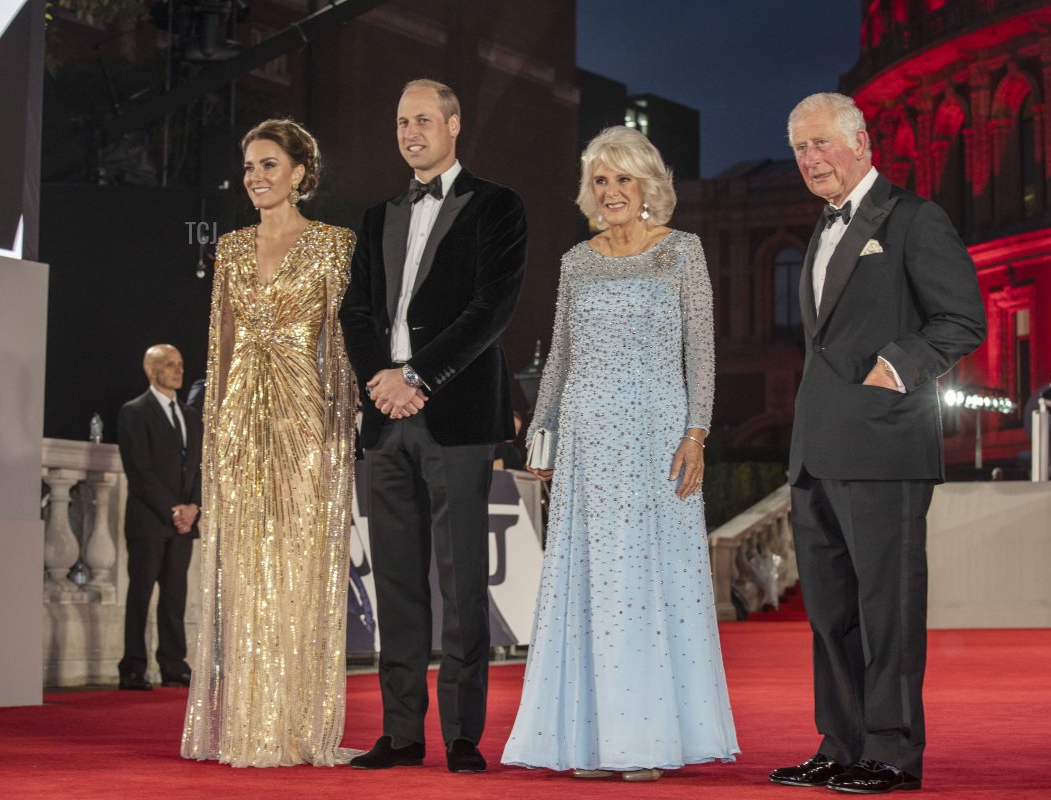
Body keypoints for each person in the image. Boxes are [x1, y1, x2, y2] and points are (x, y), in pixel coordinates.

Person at [500, 125, 739, 782]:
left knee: (646, 584)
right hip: (587, 443)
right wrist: (541, 431)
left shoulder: (682, 253)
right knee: (592, 585)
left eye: (622, 179)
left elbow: (702, 352)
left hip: (659, 439)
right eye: (601, 181)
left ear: (648, 186)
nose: (610, 192)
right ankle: (591, 741)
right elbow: (561, 357)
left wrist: (698, 432)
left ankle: (646, 738)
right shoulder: (577, 261)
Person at [771, 93, 986, 794]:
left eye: (823, 143)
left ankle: (892, 752)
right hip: (816, 451)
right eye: (800, 148)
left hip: (886, 447)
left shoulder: (914, 219)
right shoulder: (820, 230)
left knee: (886, 610)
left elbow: (961, 319)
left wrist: (895, 367)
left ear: (863, 143)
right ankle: (840, 743)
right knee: (830, 613)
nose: (811, 159)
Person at [339, 79, 528, 775]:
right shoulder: (376, 215)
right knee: (396, 583)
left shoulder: (498, 206)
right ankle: (400, 733)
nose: (410, 131)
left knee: (462, 582)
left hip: (454, 417)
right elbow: (355, 312)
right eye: (401, 122)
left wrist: (417, 376)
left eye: (423, 119)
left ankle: (463, 735)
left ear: (454, 124)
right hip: (384, 423)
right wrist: (380, 383)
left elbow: (492, 309)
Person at [181, 119, 357, 767]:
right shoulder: (228, 248)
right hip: (238, 422)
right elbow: (221, 342)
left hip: (305, 414)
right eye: (249, 166)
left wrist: (344, 421)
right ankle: (249, 728)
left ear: (301, 173)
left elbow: (340, 343)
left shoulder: (335, 245)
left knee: (298, 564)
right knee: (246, 569)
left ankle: (297, 727)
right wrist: (217, 427)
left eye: (269, 165)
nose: (256, 176)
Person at [116, 344, 203, 691]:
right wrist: (174, 510)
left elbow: (198, 467)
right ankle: (133, 667)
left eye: (181, 364)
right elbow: (139, 470)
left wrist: (194, 507)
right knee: (140, 595)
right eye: (169, 364)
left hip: (183, 525)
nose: (178, 370)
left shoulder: (191, 416)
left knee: (174, 597)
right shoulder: (134, 411)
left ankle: (173, 664)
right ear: (151, 371)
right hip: (148, 520)